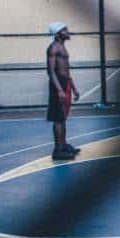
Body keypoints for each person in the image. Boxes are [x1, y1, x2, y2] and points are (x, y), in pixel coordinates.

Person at [46, 22, 80, 161]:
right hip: (58, 84)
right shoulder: (53, 48)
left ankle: (64, 144)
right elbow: (51, 71)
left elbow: (66, 71)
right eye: (64, 30)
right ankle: (57, 150)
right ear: (57, 33)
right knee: (58, 118)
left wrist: (73, 87)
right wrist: (59, 89)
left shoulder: (62, 47)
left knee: (63, 117)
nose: (67, 32)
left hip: (65, 83)